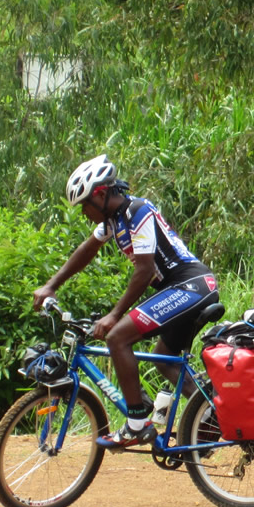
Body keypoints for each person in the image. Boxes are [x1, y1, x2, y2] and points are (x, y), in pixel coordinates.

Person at [32, 154, 220, 449]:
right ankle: (214, 416)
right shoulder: (114, 221)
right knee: (166, 362)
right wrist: (51, 285)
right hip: (183, 289)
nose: (83, 213)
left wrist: (114, 315)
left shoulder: (137, 211)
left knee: (118, 337)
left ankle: (136, 425)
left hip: (191, 286)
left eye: (84, 205)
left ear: (102, 195)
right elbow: (87, 250)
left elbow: (144, 271)